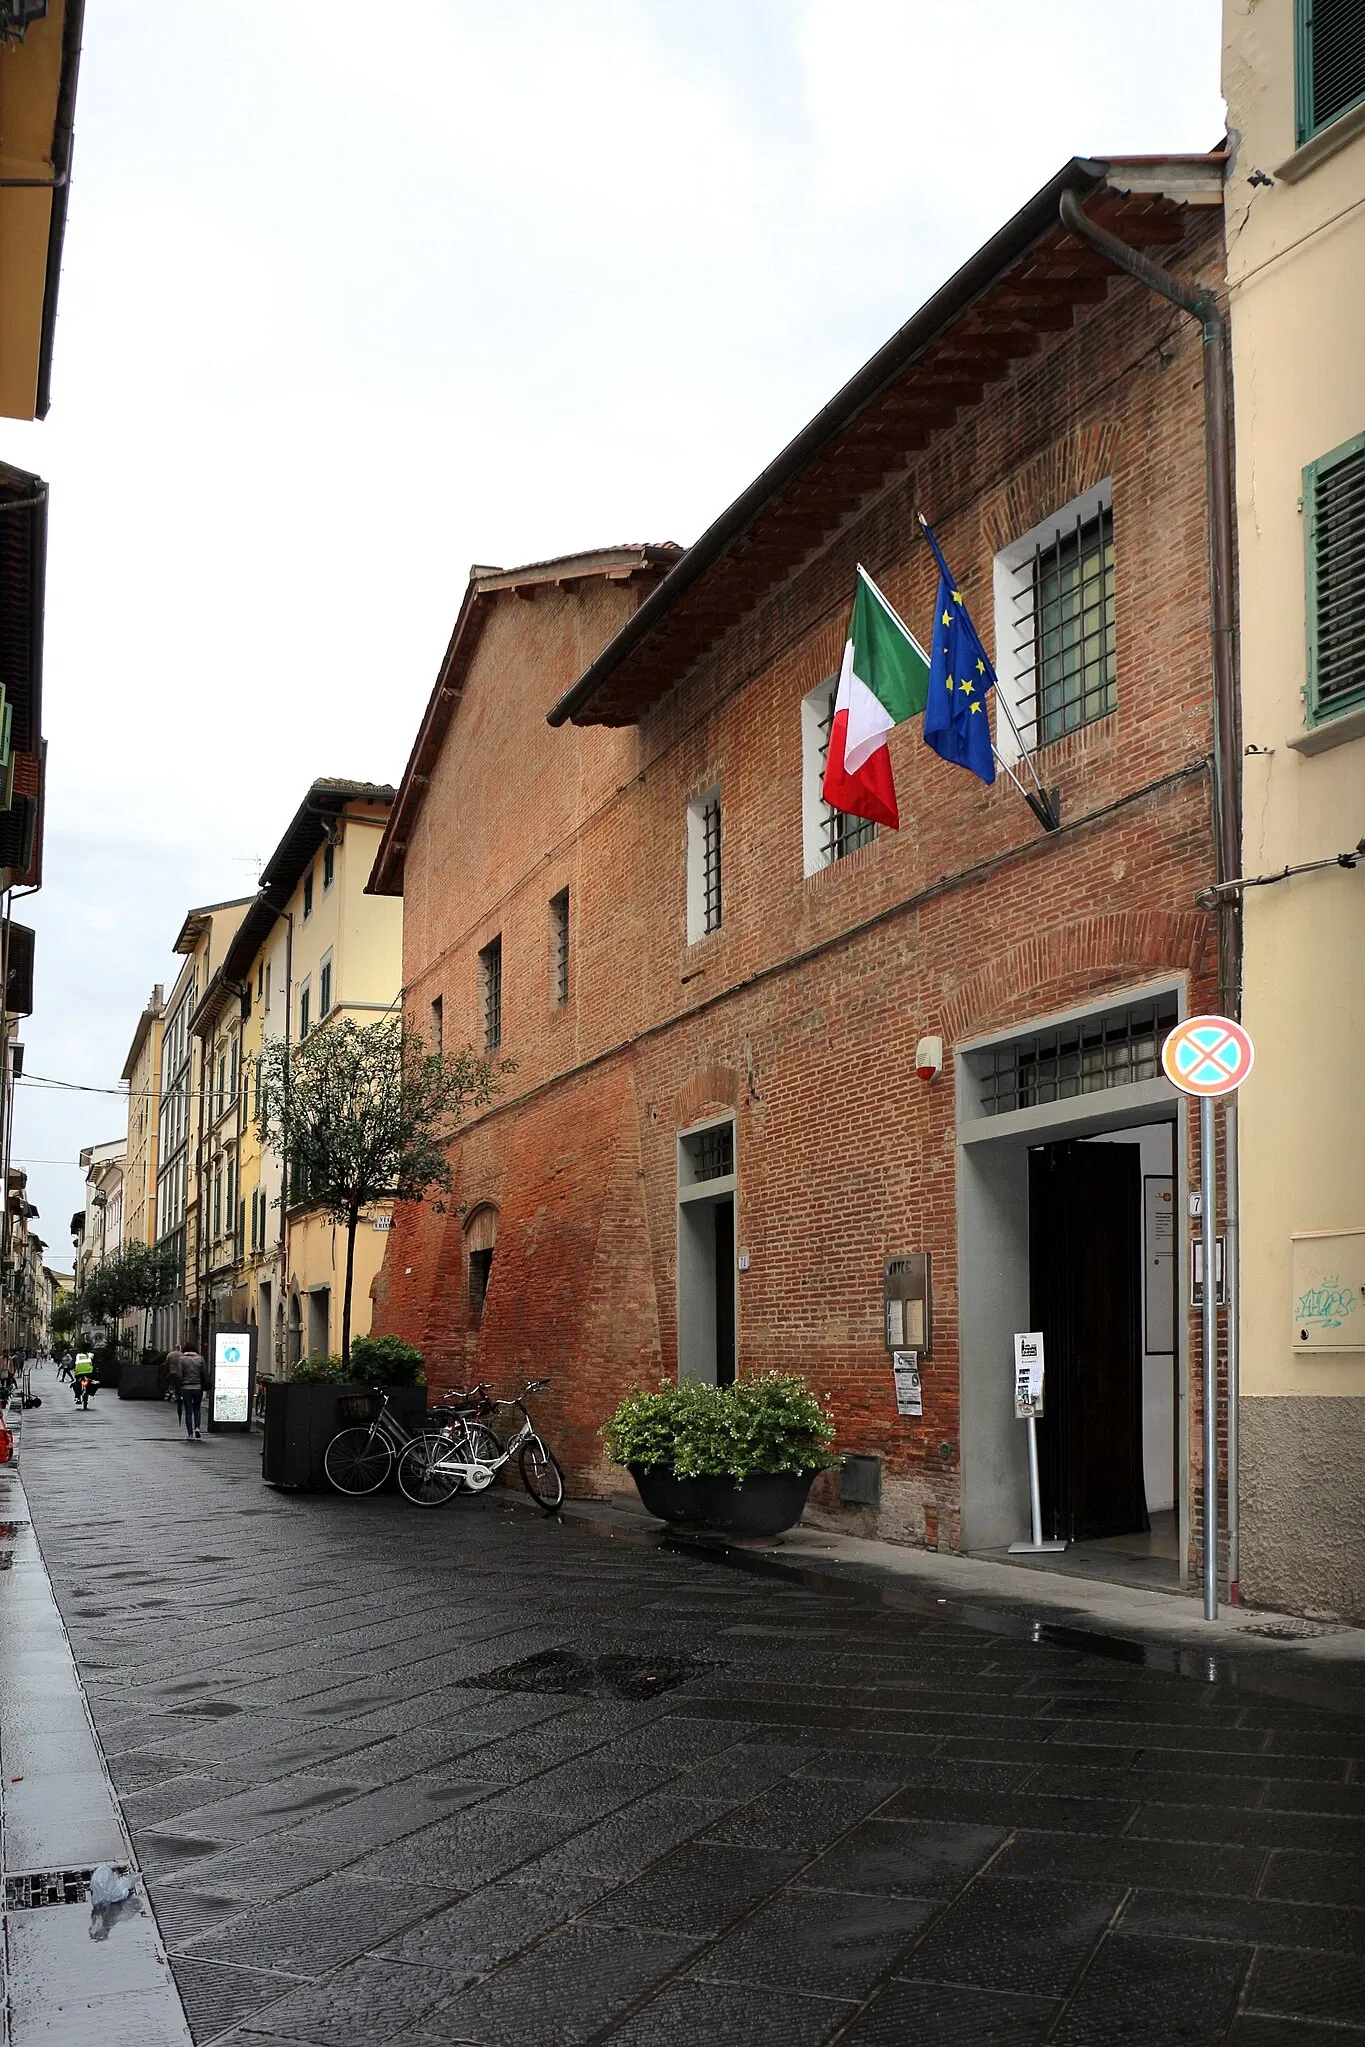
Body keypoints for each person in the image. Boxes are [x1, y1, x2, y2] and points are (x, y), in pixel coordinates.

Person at [174, 1336, 208, 1440]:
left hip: (186, 1387)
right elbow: (204, 1372)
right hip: (198, 1387)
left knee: (188, 1410)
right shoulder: (200, 1359)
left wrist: (178, 1388)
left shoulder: (181, 1359)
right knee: (197, 1408)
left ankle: (190, 1433)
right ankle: (197, 1428)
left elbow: (179, 1375)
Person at [166, 1347, 184, 1424]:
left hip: (172, 1371)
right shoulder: (182, 1355)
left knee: (171, 1384)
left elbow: (166, 1362)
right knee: (178, 1385)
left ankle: (171, 1393)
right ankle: (177, 1395)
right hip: (179, 1373)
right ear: (179, 1348)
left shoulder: (170, 1354)